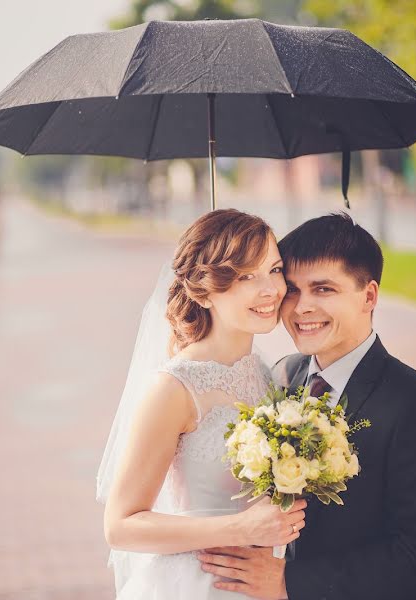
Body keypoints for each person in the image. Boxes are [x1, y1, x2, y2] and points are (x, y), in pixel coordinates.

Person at [198, 212, 416, 599]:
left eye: (323, 290)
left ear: (368, 296)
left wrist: (291, 583)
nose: (301, 307)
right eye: (291, 289)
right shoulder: (282, 377)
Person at [97, 208, 308, 599]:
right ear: (205, 290)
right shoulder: (175, 388)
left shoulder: (267, 373)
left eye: (275, 270)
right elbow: (121, 525)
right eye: (247, 276)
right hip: (198, 584)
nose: (271, 290)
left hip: (263, 582)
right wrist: (240, 529)